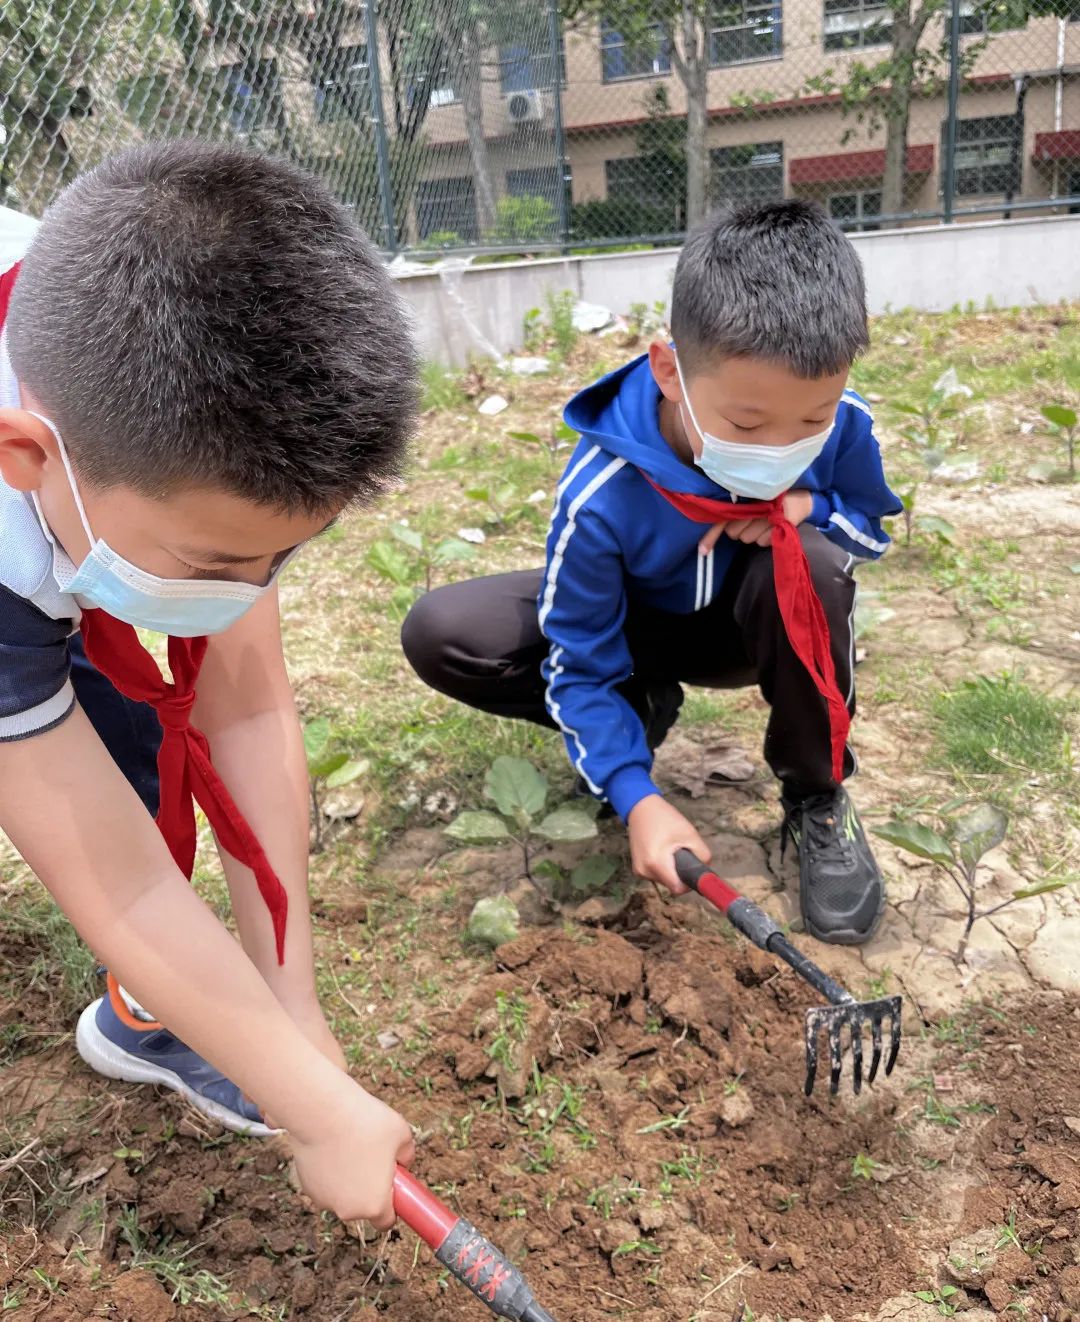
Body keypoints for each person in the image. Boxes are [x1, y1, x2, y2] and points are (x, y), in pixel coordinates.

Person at [0, 140, 417, 1227]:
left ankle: (157, 1010)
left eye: (278, 558)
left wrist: (295, 1015)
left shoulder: (148, 370)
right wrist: (311, 1108)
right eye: (218, 565)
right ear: (26, 456)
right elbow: (121, 884)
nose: (252, 594)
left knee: (131, 683)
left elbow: (249, 702)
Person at [402, 200, 903, 946]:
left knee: (818, 565)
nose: (782, 444)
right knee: (445, 632)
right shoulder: (604, 489)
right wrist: (638, 798)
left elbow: (870, 528)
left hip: (744, 628)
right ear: (669, 368)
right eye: (745, 425)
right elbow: (575, 666)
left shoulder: (842, 423)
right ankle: (639, 713)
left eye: (811, 422)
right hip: (639, 625)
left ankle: (816, 798)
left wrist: (808, 504)